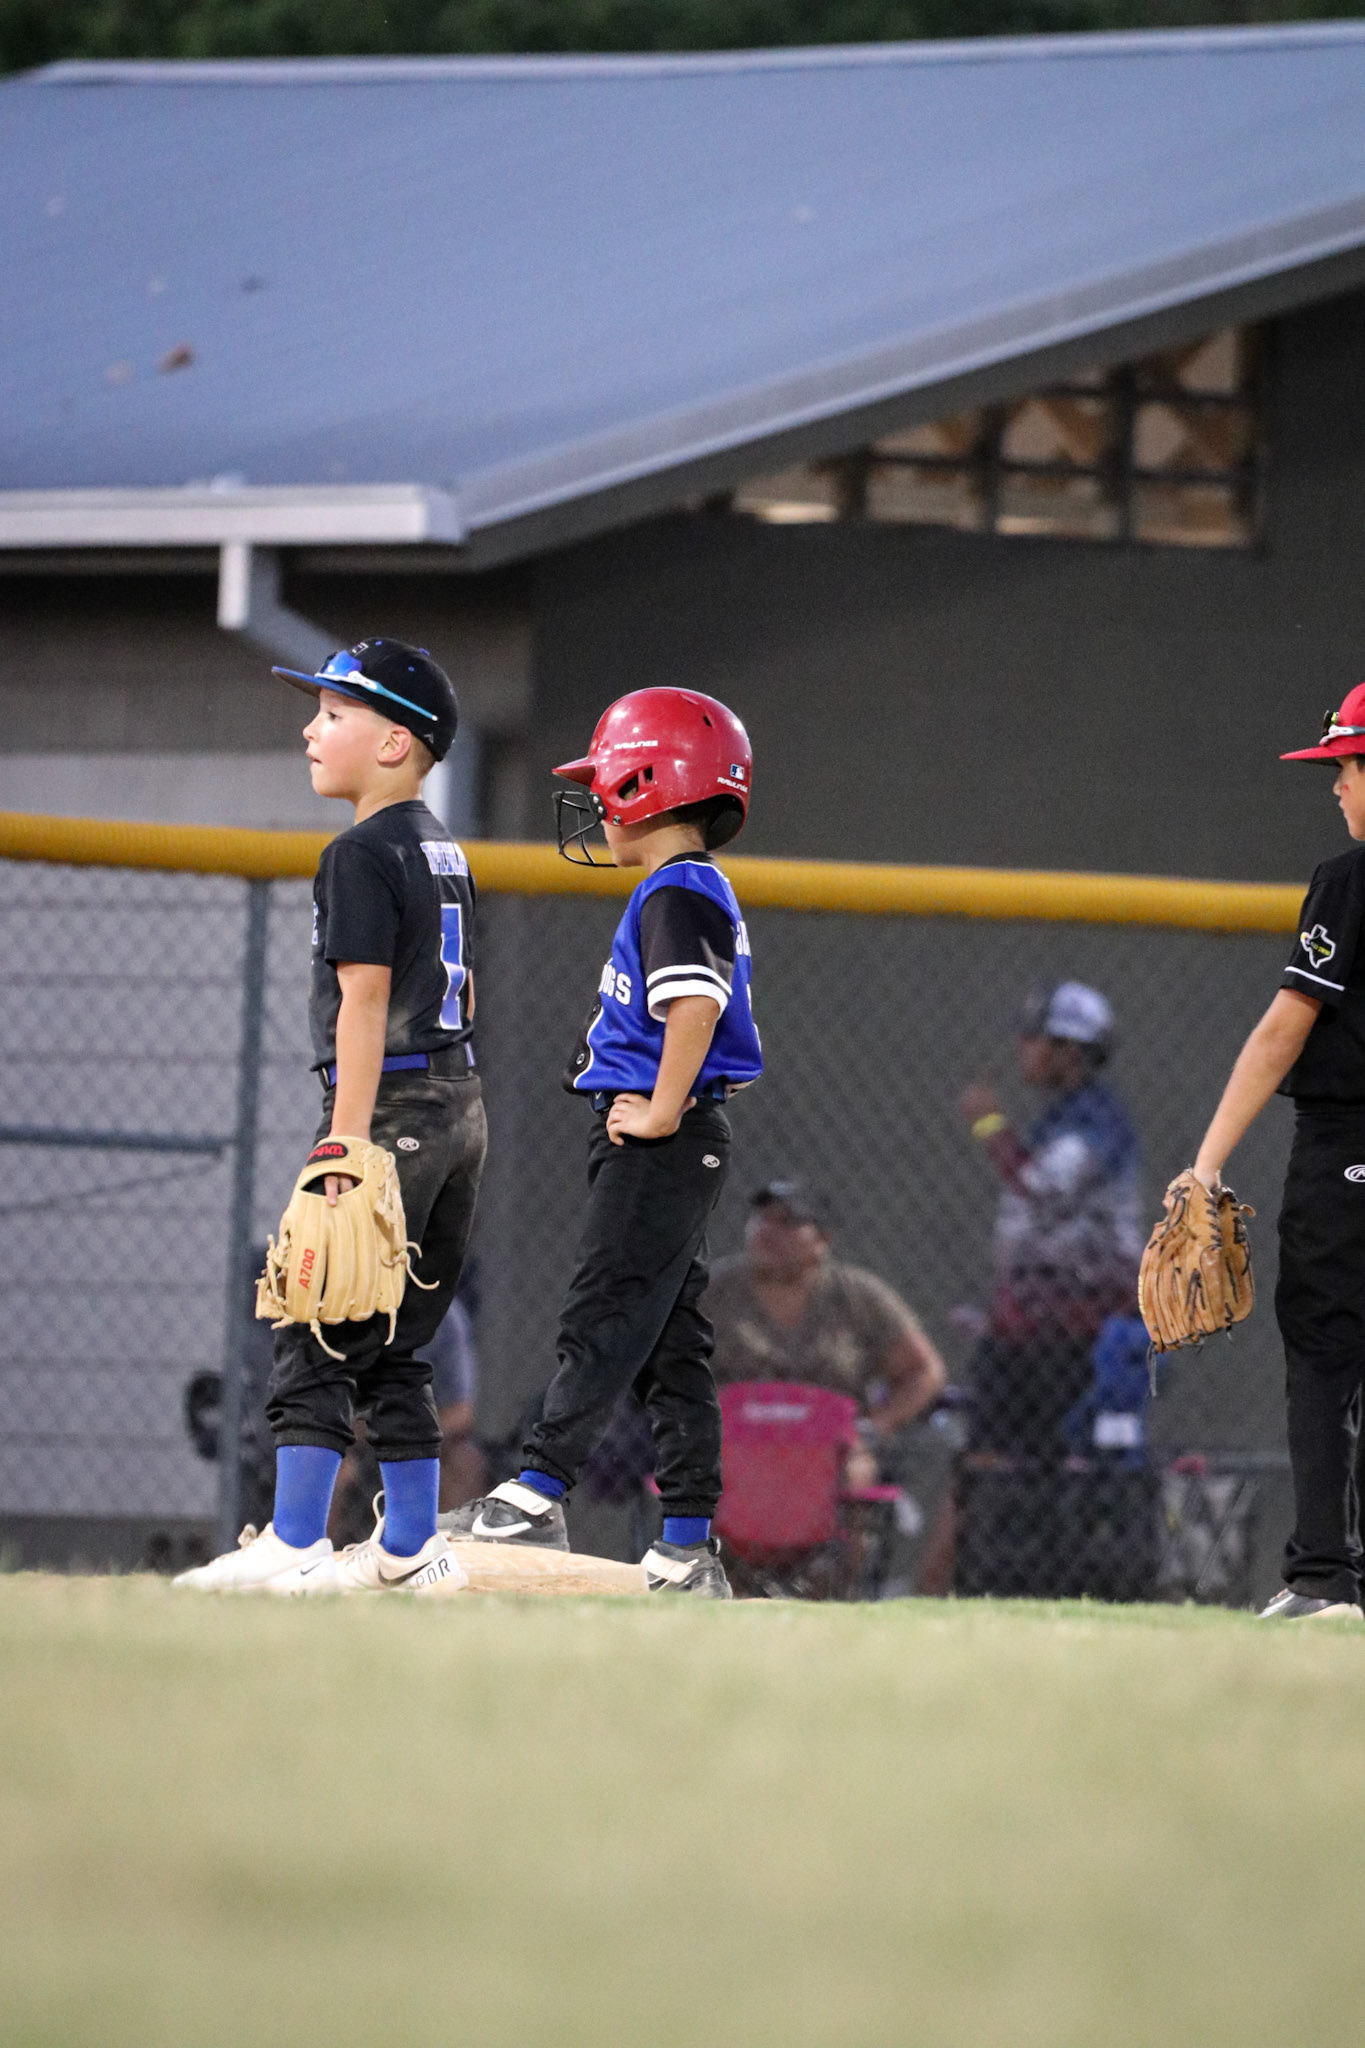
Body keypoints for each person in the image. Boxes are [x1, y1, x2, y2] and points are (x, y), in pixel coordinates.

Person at [175, 638, 487, 1594]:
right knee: (398, 1340)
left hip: (388, 1105)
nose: (312, 730)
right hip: (458, 1104)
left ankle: (297, 1539)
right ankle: (410, 1549)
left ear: (394, 742)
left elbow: (364, 997)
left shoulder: (359, 850)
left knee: (312, 1317)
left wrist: (344, 1144)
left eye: (334, 713)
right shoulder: (440, 845)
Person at [445, 686, 762, 1596]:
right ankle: (687, 1546)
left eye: (605, 781)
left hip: (663, 1138)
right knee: (668, 1347)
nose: (595, 801)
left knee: (603, 1313)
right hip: (678, 1134)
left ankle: (537, 1493)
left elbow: (694, 1004)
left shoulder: (678, 888)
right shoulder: (687, 888)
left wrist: (661, 1110)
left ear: (646, 783)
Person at [1178, 683, 1365, 1620]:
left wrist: (1206, 1163)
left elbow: (1286, 1025)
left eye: (1345, 764)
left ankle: (1323, 1577)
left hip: (1348, 1145)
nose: (1335, 785)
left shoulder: (1348, 879)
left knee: (1325, 1355)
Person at [955, 981, 1145, 1594]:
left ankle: (1037, 1584)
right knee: (993, 1454)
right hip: (1036, 1324)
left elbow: (1042, 1188)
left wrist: (988, 1122)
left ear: (1071, 1050)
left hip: (1078, 1330)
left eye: (1038, 1038)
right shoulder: (1060, 1117)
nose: (1025, 1049)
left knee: (1047, 1460)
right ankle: (977, 1582)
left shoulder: (1095, 1121)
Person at [706, 1178, 951, 1592]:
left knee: (857, 1468)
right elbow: (663, 1363)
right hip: (734, 1444)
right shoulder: (714, 1292)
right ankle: (721, 1584)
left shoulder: (857, 1296)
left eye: (788, 1223)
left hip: (828, 1448)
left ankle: (830, 1591)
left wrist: (876, 1426)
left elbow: (924, 1371)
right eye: (762, 1219)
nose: (768, 1231)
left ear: (823, 1240)